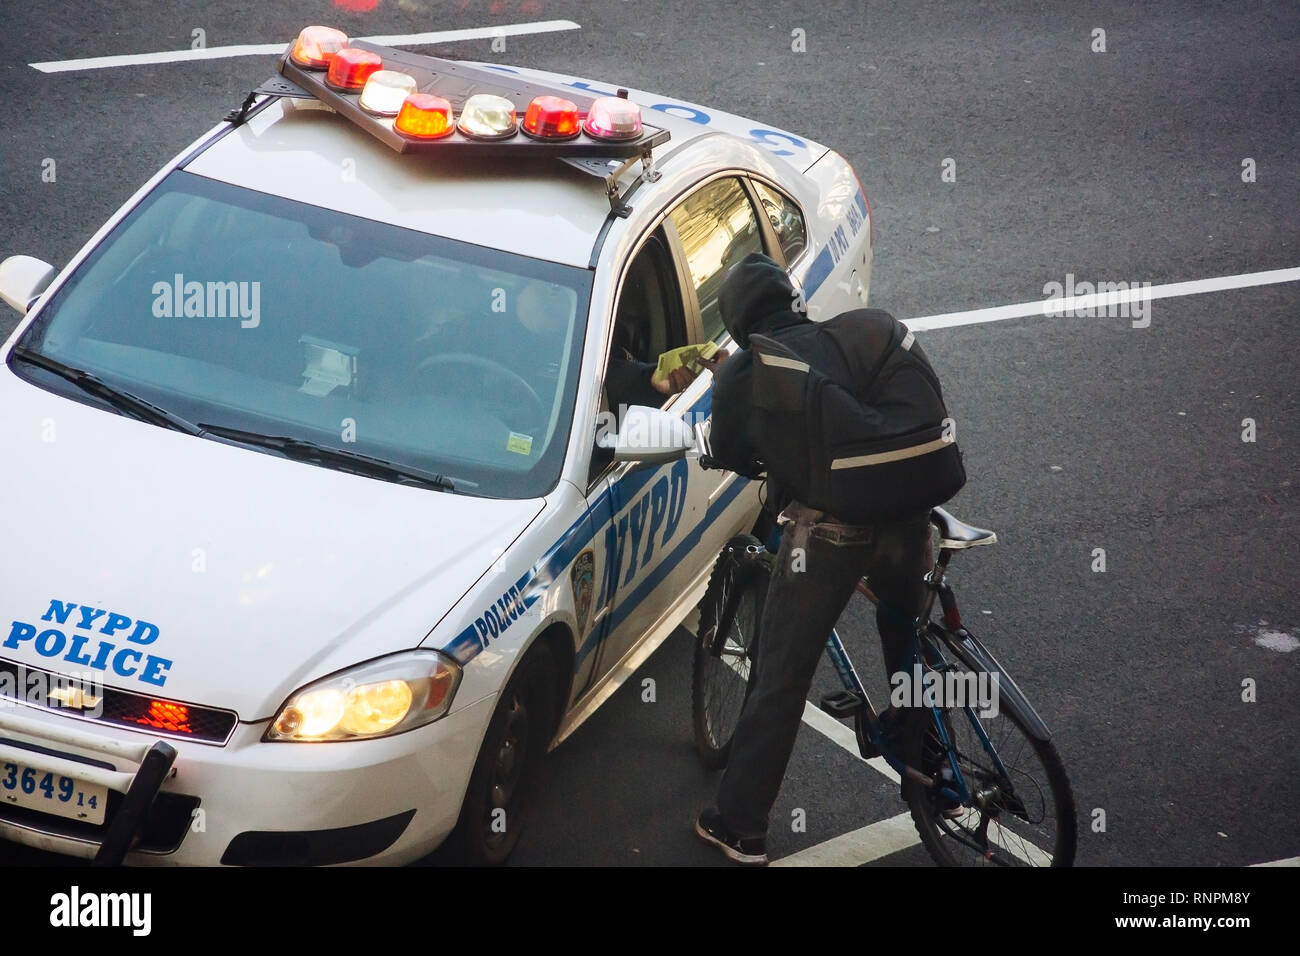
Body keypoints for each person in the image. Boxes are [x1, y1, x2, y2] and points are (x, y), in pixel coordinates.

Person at [695, 253, 935, 866]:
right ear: (795, 302)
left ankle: (740, 826)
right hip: (910, 510)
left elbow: (729, 448)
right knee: (901, 627)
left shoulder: (748, 372)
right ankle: (933, 769)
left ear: (741, 324)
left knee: (779, 674)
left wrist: (730, 388)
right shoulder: (843, 340)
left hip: (830, 532)